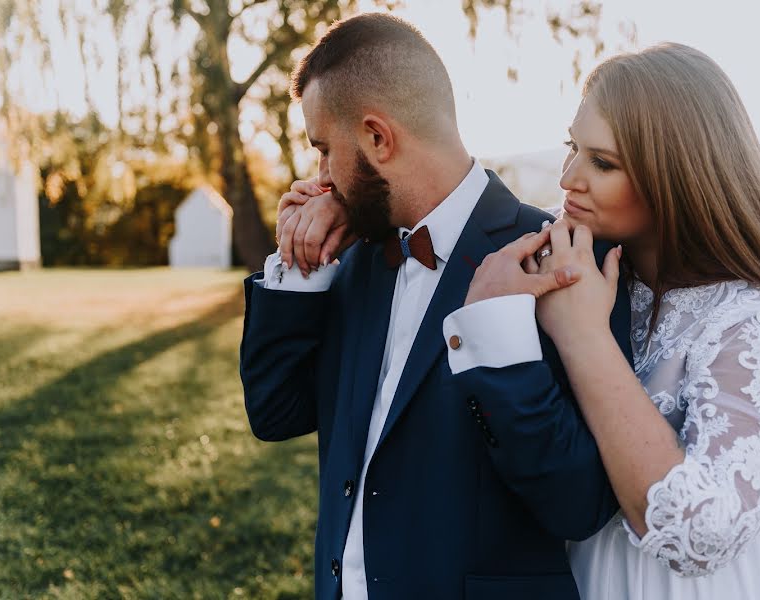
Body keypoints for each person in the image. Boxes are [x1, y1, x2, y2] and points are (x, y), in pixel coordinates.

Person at [454, 42, 760, 599]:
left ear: (677, 176)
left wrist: (583, 335)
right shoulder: (595, 279)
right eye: (572, 148)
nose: (567, 178)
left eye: (602, 162)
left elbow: (700, 534)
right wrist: (345, 204)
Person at [239, 13, 632, 600]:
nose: (319, 178)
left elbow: (578, 504)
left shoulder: (558, 260)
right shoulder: (353, 259)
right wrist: (302, 264)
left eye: (325, 150)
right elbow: (275, 413)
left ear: (378, 137)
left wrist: (498, 339)